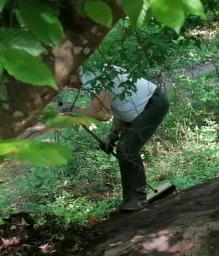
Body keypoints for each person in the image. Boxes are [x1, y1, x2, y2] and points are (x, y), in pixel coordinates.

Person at [66, 66, 169, 212]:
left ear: (74, 71)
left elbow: (102, 115)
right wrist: (112, 136)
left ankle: (138, 199)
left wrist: (72, 110)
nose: (68, 85)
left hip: (151, 104)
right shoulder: (93, 76)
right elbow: (119, 107)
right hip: (139, 108)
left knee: (127, 149)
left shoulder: (92, 75)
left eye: (68, 80)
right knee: (124, 149)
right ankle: (130, 200)